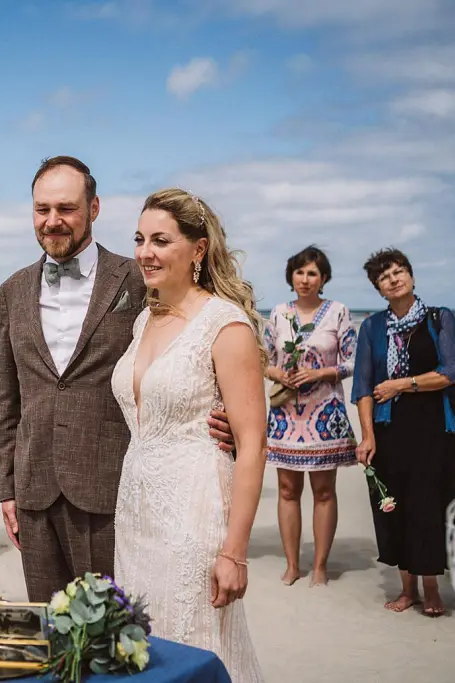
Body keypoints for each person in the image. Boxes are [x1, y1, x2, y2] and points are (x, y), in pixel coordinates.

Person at [0, 156, 236, 603]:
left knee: (113, 638)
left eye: (65, 208)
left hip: (111, 488)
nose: (53, 221)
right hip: (34, 491)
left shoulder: (139, 277)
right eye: (41, 209)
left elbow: (202, 340)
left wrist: (229, 420)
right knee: (52, 636)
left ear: (94, 208)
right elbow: (7, 398)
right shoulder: (12, 289)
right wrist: (7, 488)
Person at [111, 188, 266, 682]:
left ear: (198, 249)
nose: (144, 252)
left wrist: (234, 552)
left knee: (193, 642)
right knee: (143, 645)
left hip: (194, 511)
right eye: (139, 239)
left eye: (160, 239)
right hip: (135, 512)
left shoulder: (225, 324)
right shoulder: (144, 319)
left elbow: (253, 443)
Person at [351, 248, 455, 618]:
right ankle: (406, 589)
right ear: (379, 289)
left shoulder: (439, 318)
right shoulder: (371, 328)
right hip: (388, 432)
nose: (394, 279)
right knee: (393, 507)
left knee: (428, 508)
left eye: (400, 271)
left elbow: (450, 372)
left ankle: (431, 587)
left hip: (433, 431)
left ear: (412, 277)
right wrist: (367, 436)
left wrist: (401, 384)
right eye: (385, 277)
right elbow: (364, 388)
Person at [263, 246, 358, 586]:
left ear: (324, 278)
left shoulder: (338, 312)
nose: (305, 279)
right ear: (291, 276)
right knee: (287, 490)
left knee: (323, 491)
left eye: (313, 273)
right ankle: (292, 565)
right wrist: (278, 376)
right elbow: (264, 360)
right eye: (300, 272)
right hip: (286, 414)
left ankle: (320, 566)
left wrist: (319, 374)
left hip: (325, 414)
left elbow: (353, 361)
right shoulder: (277, 314)